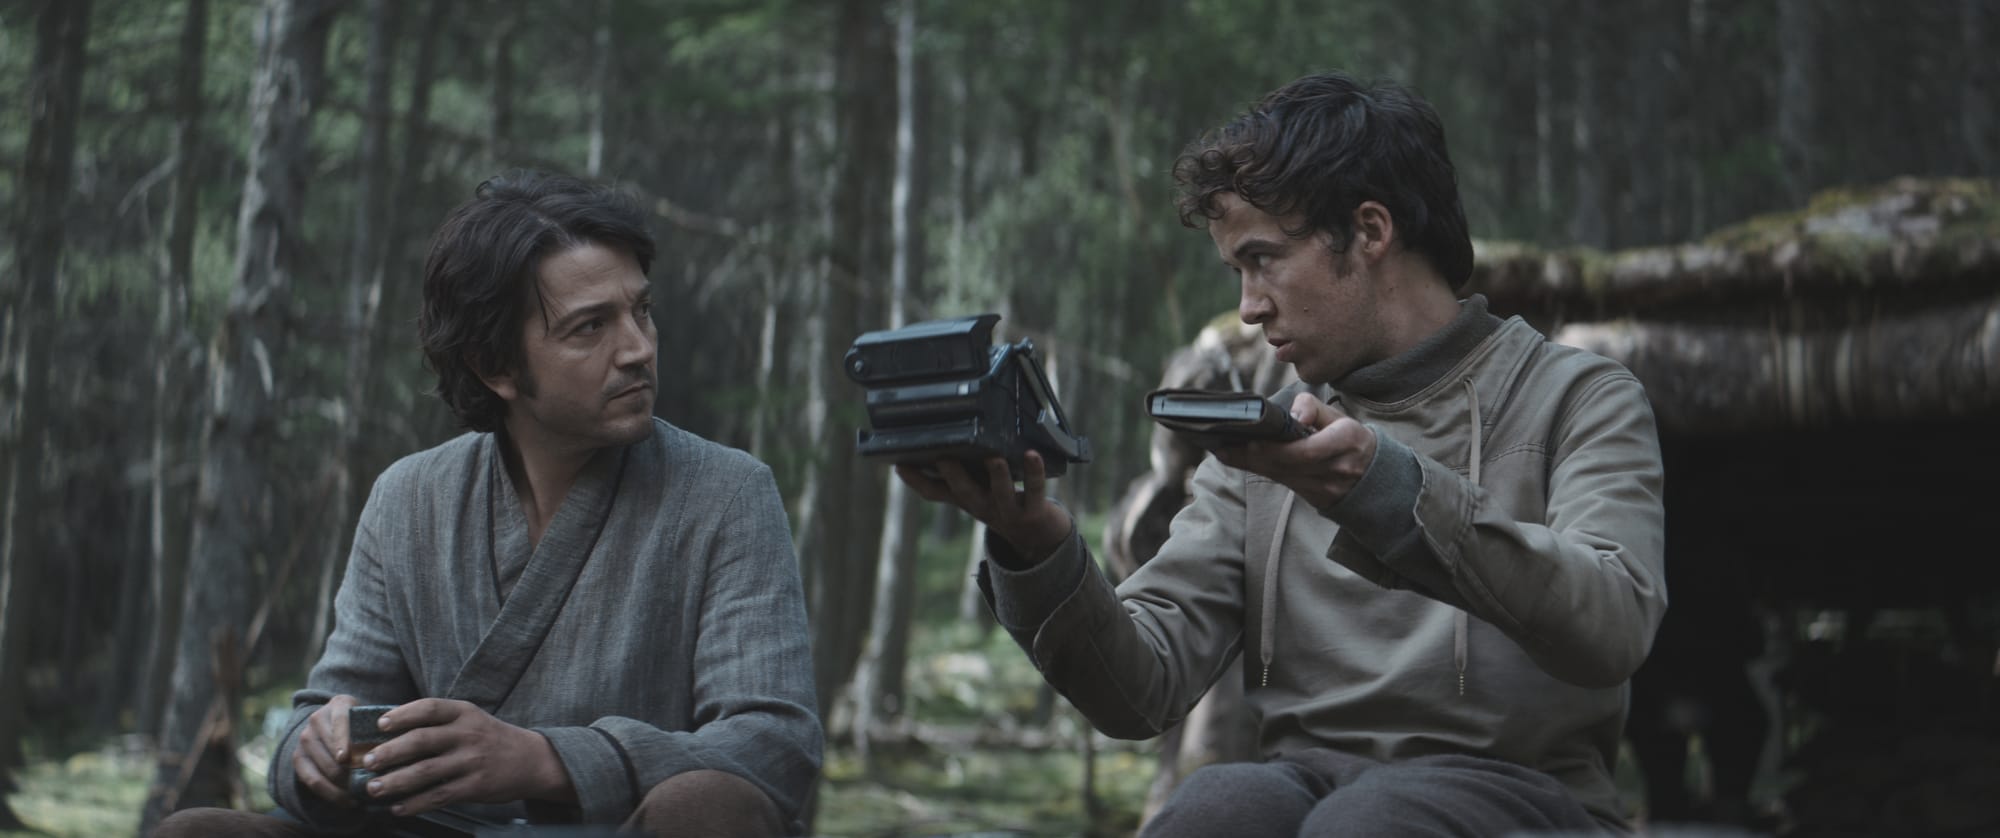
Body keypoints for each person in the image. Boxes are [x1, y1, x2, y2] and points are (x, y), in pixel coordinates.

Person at [897, 71, 1666, 836]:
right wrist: (1037, 547)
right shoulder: (1269, 443)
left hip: (1532, 796)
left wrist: (1384, 488)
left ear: (1370, 231)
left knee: (1366, 824)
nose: (1248, 307)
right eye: (1237, 271)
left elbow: (1614, 623)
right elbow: (1141, 690)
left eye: (1264, 260)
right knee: (1211, 813)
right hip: (1308, 786)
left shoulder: (1579, 396)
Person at [156, 172, 821, 837]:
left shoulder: (726, 492)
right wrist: (321, 751)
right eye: (591, 326)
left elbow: (773, 745)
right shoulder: (409, 500)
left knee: (710, 806)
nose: (639, 349)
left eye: (641, 311)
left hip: (626, 830)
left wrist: (546, 760)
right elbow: (326, 710)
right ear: (495, 366)